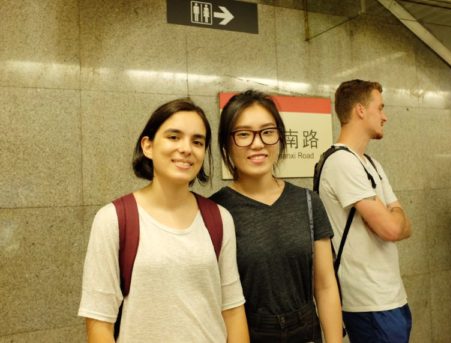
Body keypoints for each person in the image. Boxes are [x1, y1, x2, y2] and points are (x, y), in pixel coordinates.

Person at [78, 99, 249, 342]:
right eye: (173, 137)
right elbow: (99, 321)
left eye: (197, 141)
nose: (186, 148)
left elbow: (232, 309)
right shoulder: (114, 219)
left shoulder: (219, 218)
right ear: (148, 146)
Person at [210, 90, 343, 343]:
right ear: (227, 143)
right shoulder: (215, 211)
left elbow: (325, 285)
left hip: (307, 333)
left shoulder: (307, 202)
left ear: (280, 138)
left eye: (267, 132)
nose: (257, 143)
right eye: (243, 134)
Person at [318, 79, 413, 343]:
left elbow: (404, 224)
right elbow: (393, 227)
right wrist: (392, 215)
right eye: (380, 108)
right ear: (361, 110)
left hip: (391, 298)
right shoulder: (341, 162)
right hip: (369, 303)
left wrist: (392, 217)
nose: (385, 117)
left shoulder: (370, 163)